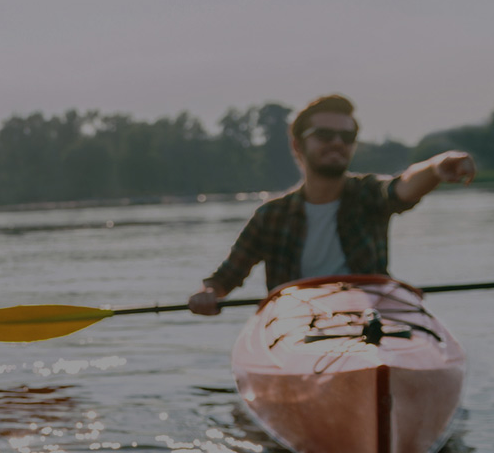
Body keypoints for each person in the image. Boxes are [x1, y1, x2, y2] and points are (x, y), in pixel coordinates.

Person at [188, 94, 478, 315]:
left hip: (369, 318)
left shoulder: (368, 194)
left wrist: (437, 168)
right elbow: (223, 280)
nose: (337, 142)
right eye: (324, 135)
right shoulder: (270, 216)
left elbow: (402, 187)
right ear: (297, 146)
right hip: (296, 325)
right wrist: (207, 293)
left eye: (347, 136)